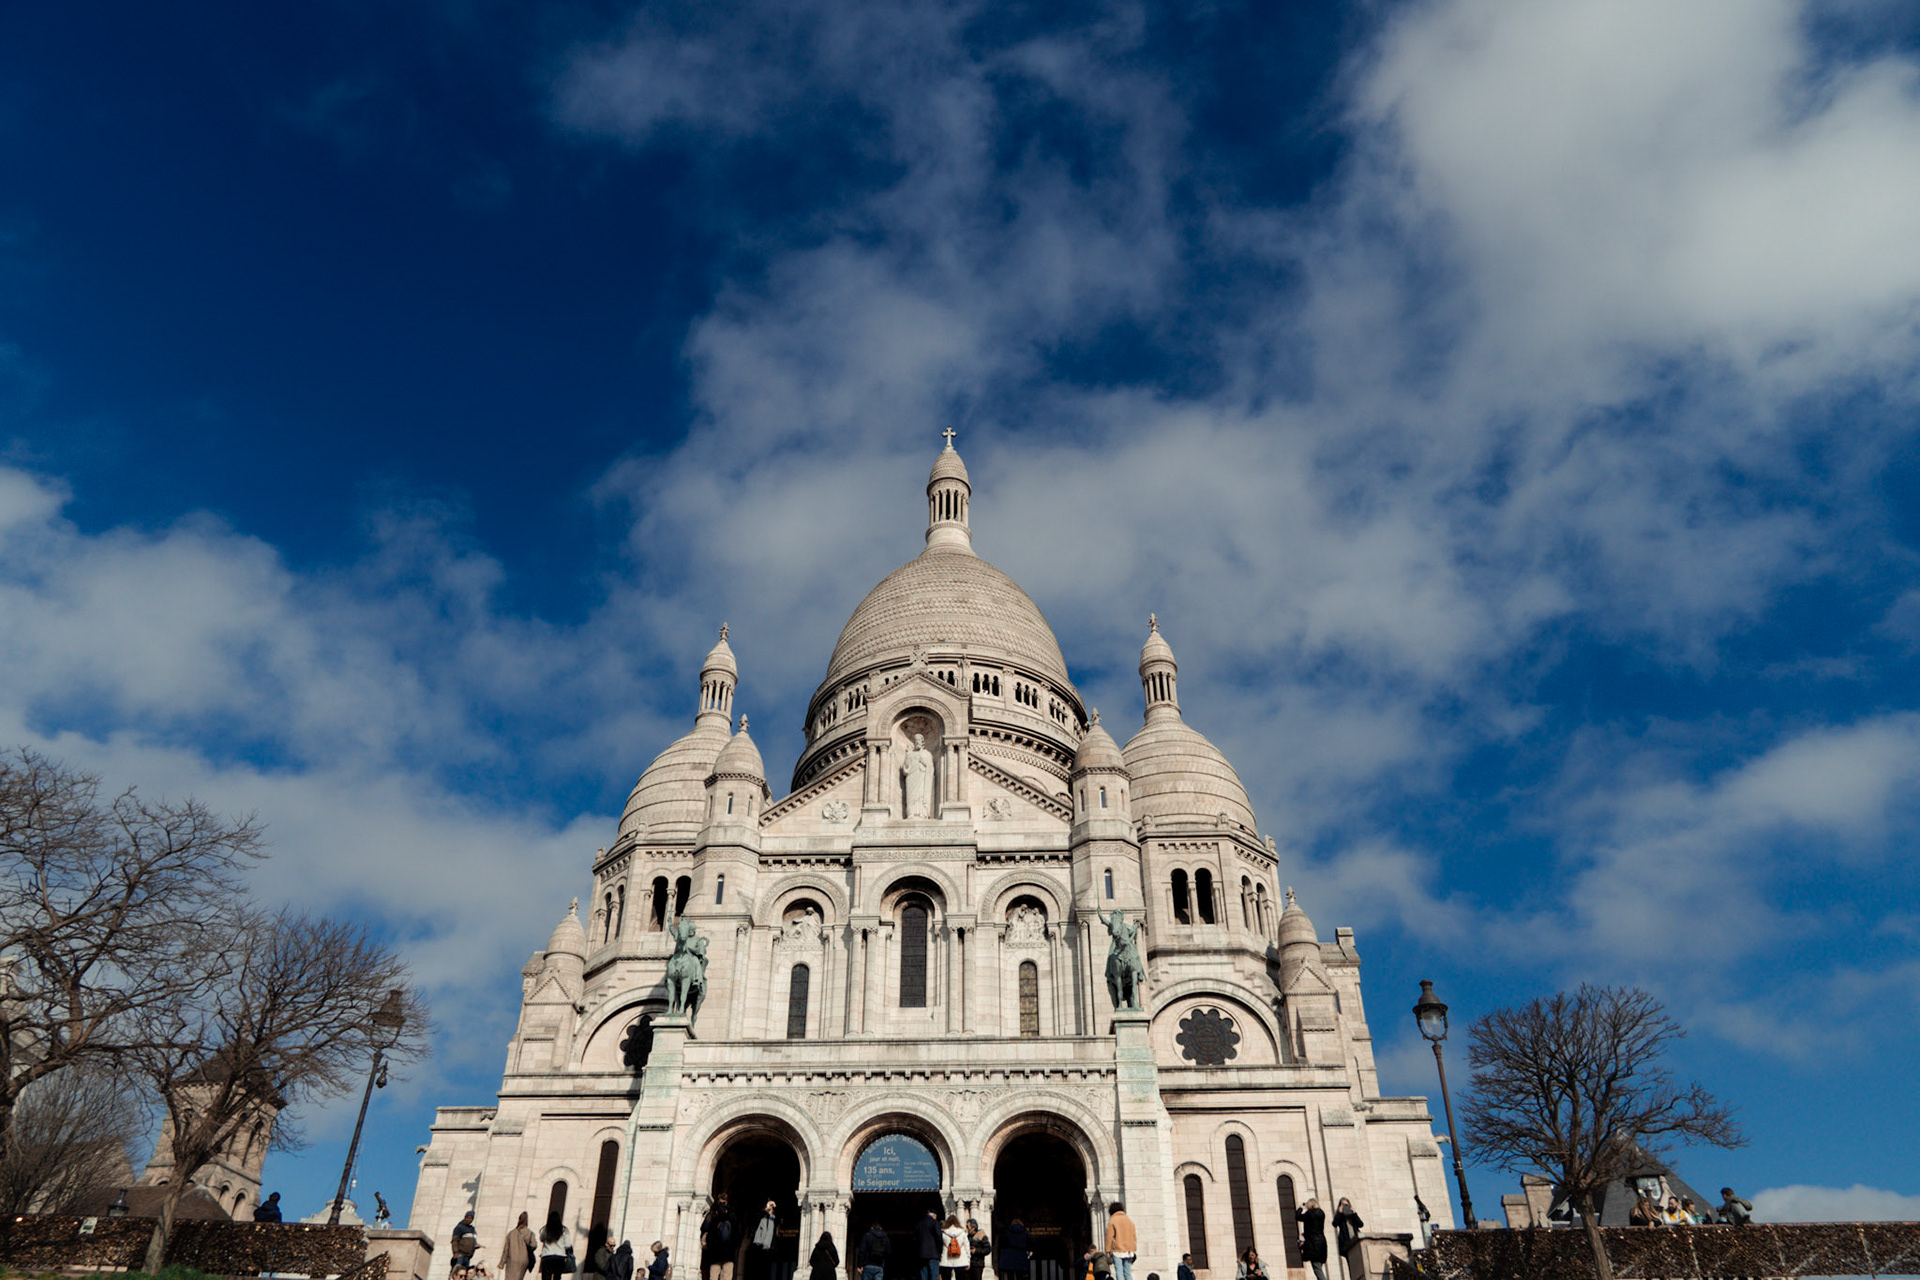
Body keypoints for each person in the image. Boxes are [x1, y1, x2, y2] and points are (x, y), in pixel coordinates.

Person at [703, 1194, 738, 1280]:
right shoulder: (732, 1215)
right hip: (728, 1253)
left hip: (715, 1252)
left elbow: (704, 1227)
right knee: (727, 1276)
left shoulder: (713, 1214)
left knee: (713, 1276)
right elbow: (737, 1233)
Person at [1298, 1198, 1329, 1280]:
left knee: (1317, 1270)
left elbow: (1298, 1217)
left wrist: (1300, 1208)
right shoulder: (1322, 1213)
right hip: (1322, 1243)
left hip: (1313, 1245)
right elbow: (1314, 1227)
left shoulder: (1309, 1214)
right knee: (1319, 1268)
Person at [748, 1200, 780, 1280]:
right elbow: (756, 1218)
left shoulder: (775, 1218)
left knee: (767, 1270)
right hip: (759, 1245)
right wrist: (766, 1210)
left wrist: (774, 1209)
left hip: (769, 1247)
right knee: (757, 1269)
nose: (770, 1208)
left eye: (771, 1207)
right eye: (769, 1206)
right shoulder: (762, 1215)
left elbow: (778, 1220)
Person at [1105, 1203, 1136, 1280]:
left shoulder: (1112, 1220)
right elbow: (1134, 1236)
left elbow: (1109, 1237)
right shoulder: (1129, 1220)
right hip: (1128, 1251)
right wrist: (1133, 1248)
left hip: (1117, 1250)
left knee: (1119, 1272)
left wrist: (1107, 1250)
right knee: (1128, 1273)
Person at [504, 1212, 539, 1280]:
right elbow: (534, 1245)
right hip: (524, 1260)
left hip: (512, 1259)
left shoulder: (511, 1233)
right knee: (519, 1278)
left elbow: (506, 1249)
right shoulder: (530, 1233)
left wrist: (502, 1262)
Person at [1333, 1199, 1364, 1275]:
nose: (1345, 1207)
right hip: (1347, 1243)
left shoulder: (1353, 1216)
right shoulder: (1340, 1217)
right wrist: (1339, 1213)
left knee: (1360, 1263)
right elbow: (1334, 1224)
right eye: (1343, 1205)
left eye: (1346, 1205)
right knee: (1351, 1264)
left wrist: (1354, 1213)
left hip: (1355, 1241)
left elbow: (1361, 1224)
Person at [540, 1214, 574, 1279]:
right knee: (557, 1277)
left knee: (546, 1277)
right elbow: (568, 1245)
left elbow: (541, 1238)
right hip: (560, 1256)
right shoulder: (564, 1230)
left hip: (547, 1255)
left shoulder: (546, 1229)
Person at [916, 1209, 942, 1280]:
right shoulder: (934, 1223)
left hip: (921, 1254)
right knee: (934, 1274)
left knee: (924, 1274)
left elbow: (916, 1238)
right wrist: (940, 1250)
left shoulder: (919, 1224)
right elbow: (939, 1237)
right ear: (934, 1215)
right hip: (933, 1253)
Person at [455, 1212, 481, 1277]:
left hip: (468, 1256)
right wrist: (455, 1252)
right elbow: (455, 1241)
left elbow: (471, 1241)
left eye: (471, 1218)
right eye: (468, 1218)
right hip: (460, 1254)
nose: (469, 1220)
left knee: (465, 1273)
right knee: (457, 1271)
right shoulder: (460, 1227)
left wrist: (476, 1245)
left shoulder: (472, 1229)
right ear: (465, 1217)